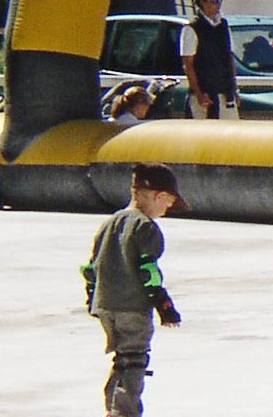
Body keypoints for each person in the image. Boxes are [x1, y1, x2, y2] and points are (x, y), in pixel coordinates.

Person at [81, 162, 188, 417]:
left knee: (122, 359)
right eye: (168, 203)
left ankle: (113, 407)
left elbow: (89, 268)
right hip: (133, 307)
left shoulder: (109, 223)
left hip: (106, 306)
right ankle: (123, 412)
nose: (167, 210)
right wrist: (164, 305)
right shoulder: (145, 227)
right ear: (158, 196)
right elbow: (148, 271)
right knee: (134, 361)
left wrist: (93, 297)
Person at [180, 0, 239, 120]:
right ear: (203, 2)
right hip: (205, 95)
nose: (218, 5)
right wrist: (199, 94)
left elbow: (230, 58)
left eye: (219, 1)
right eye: (213, 1)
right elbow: (188, 64)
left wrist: (234, 89)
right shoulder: (191, 29)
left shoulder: (224, 26)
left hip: (226, 93)